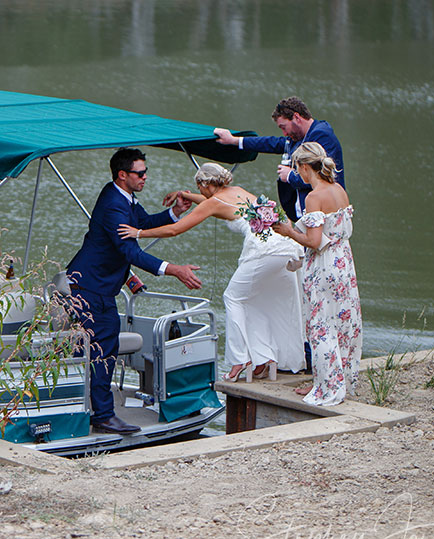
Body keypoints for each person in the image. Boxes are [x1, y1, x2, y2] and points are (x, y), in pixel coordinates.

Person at [119, 162, 304, 383]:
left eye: (200, 187)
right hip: (288, 245)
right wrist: (184, 194)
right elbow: (212, 201)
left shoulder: (214, 202)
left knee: (233, 298)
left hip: (264, 250)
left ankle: (240, 360)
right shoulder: (238, 192)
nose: (200, 192)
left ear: (205, 183)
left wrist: (138, 233)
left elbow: (175, 229)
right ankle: (266, 358)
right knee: (262, 300)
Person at [66, 148, 203, 435]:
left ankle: (89, 409)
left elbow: (142, 223)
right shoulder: (114, 205)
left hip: (94, 285)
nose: (145, 177)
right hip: (90, 287)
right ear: (123, 175)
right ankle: (102, 415)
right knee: (103, 349)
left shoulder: (122, 196)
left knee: (101, 347)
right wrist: (173, 269)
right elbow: (129, 249)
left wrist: (174, 213)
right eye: (140, 173)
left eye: (145, 171)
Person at [271, 142, 362, 406]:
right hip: (344, 262)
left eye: (297, 168)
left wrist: (289, 231)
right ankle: (339, 379)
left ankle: (327, 387)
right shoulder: (339, 190)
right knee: (344, 323)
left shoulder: (314, 197)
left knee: (321, 326)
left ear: (303, 167)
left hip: (324, 265)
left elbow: (313, 240)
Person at [212, 96, 345, 222]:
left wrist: (290, 176)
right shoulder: (299, 137)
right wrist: (234, 140)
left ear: (297, 118)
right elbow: (271, 143)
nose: (285, 133)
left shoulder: (321, 135)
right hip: (307, 213)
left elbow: (324, 178)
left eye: (283, 127)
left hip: (323, 214)